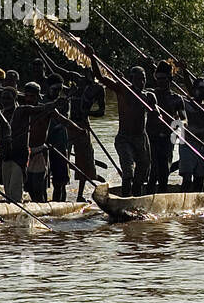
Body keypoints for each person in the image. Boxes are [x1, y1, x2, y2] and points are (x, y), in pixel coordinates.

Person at [89, 54, 156, 196]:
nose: (141, 82)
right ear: (131, 80)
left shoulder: (148, 96)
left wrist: (156, 113)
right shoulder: (122, 90)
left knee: (141, 175)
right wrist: (93, 58)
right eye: (138, 79)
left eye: (143, 79)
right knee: (128, 172)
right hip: (124, 138)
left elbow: (156, 110)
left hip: (141, 139)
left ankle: (137, 198)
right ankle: (125, 199)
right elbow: (100, 77)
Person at [67, 69, 105, 200]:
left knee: (85, 160)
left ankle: (80, 195)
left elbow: (101, 111)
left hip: (83, 125)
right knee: (63, 157)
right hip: (68, 123)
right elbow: (56, 69)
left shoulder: (98, 89)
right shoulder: (77, 80)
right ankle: (60, 192)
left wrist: (87, 113)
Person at [147, 60, 182, 193]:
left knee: (164, 171)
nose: (160, 81)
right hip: (151, 137)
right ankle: (149, 193)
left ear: (170, 79)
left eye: (164, 79)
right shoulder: (150, 94)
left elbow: (183, 119)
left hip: (168, 138)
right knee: (153, 170)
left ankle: (162, 194)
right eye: (158, 78)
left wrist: (175, 124)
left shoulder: (177, 98)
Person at [180, 78, 204, 191]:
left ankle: (197, 200)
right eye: (201, 89)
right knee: (187, 177)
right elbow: (177, 119)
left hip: (202, 144)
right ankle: (184, 199)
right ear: (194, 89)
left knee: (199, 177)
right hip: (187, 144)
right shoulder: (185, 104)